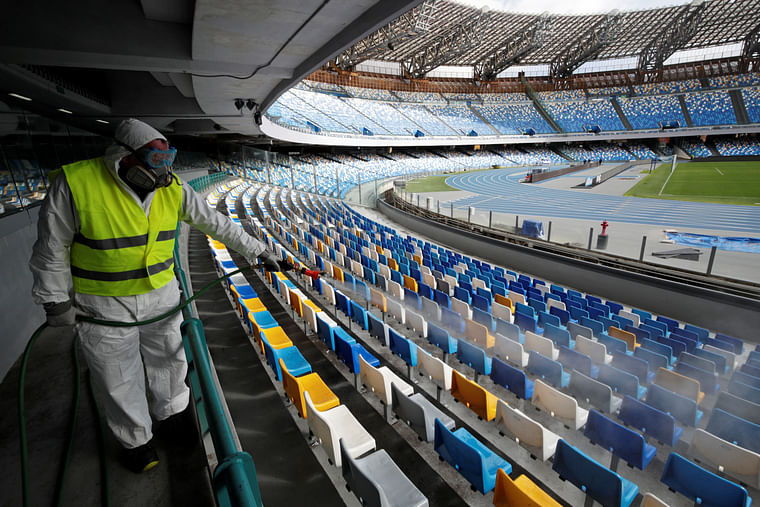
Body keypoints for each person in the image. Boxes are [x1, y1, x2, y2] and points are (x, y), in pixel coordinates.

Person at [29, 118, 280, 473]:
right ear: (125, 157)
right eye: (155, 159)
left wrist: (258, 250)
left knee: (171, 361)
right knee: (117, 375)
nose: (164, 169)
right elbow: (51, 246)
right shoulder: (76, 183)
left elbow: (215, 222)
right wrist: (54, 299)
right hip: (103, 306)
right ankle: (136, 442)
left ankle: (174, 417)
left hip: (161, 298)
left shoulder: (172, 188)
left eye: (167, 158)